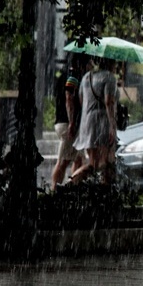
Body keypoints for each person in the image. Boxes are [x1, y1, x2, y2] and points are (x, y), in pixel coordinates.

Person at [70, 57, 118, 185]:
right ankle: (69, 185)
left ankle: (103, 192)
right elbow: (109, 102)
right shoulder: (109, 77)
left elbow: (81, 99)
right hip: (101, 123)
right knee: (102, 163)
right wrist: (112, 126)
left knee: (98, 163)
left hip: (87, 123)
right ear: (112, 63)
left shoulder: (87, 77)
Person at [50, 56, 85, 190]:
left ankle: (74, 188)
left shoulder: (64, 75)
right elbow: (69, 98)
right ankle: (54, 190)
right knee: (63, 162)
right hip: (68, 124)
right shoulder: (72, 76)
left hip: (67, 123)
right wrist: (71, 122)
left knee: (78, 159)